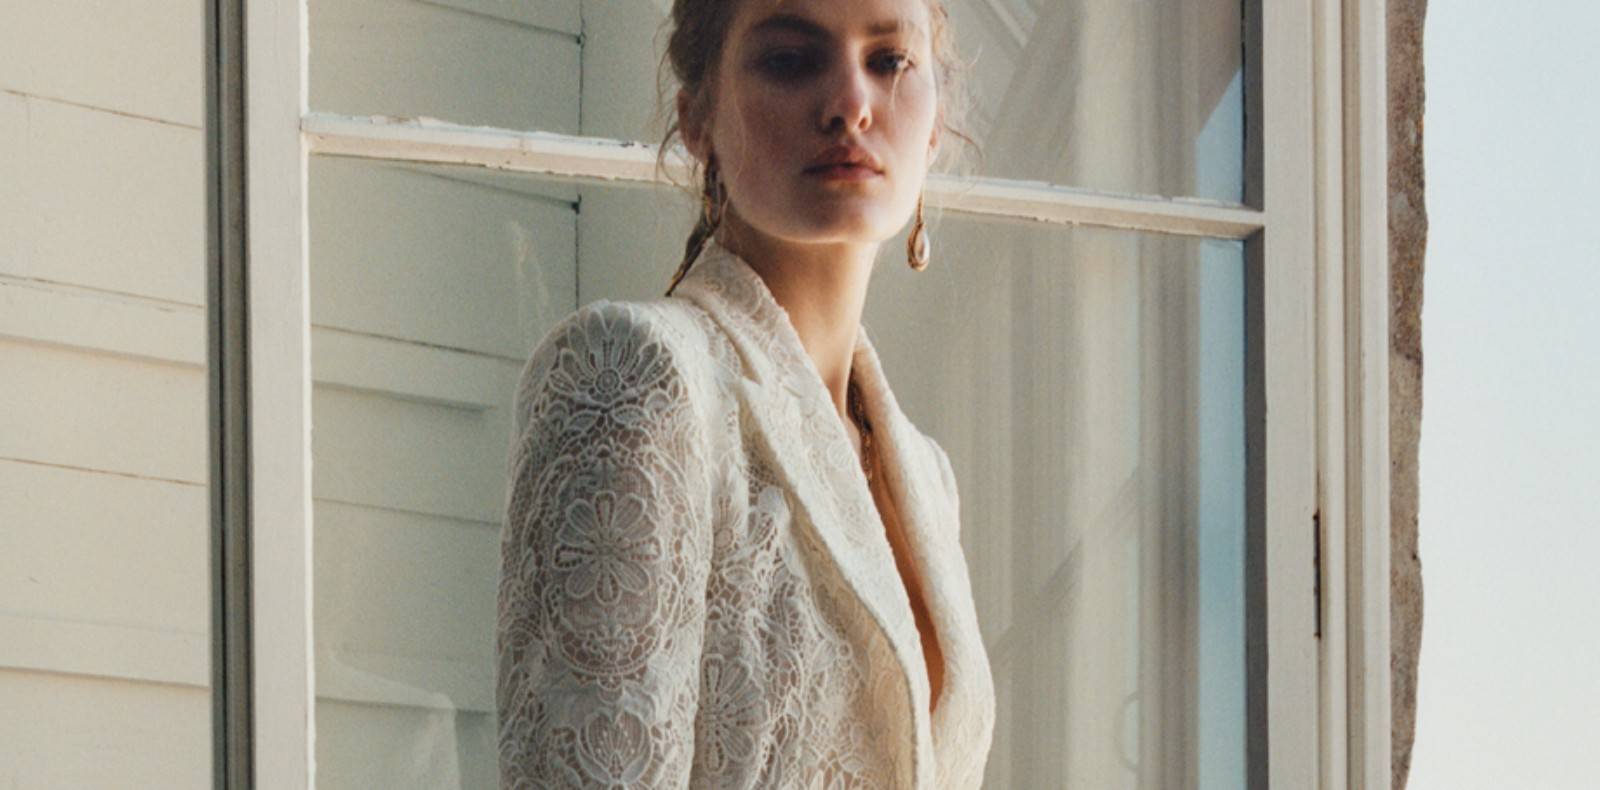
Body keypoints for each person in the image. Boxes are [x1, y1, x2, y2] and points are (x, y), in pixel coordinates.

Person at [496, 0, 995, 786]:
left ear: (935, 126)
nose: (850, 103)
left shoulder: (926, 477)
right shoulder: (636, 373)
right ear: (697, 120)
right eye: (791, 60)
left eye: (889, 62)